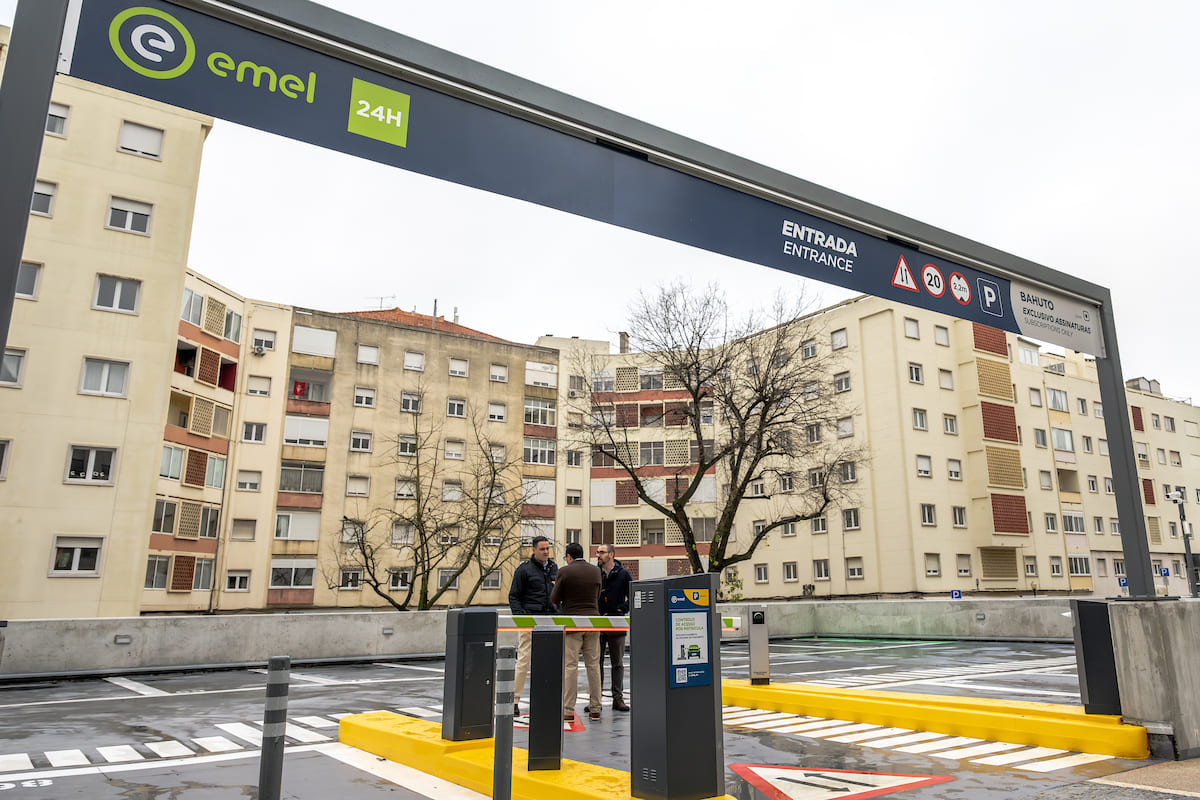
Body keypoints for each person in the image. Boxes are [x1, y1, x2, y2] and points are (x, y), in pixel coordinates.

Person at [550, 541, 603, 721]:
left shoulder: (565, 571)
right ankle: (595, 706)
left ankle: (567, 709)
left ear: (569, 556)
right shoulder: (596, 570)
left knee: (570, 666)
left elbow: (555, 599)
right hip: (593, 621)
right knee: (593, 665)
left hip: (572, 622)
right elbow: (597, 595)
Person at [508, 535, 556, 716]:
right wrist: (521, 617)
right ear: (534, 550)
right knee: (524, 661)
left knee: (547, 662)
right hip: (529, 620)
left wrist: (557, 611)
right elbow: (514, 596)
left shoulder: (554, 568)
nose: (546, 552)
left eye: (547, 549)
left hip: (550, 621)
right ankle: (514, 700)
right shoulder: (524, 570)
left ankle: (545, 700)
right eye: (542, 549)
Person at [597, 544, 631, 711]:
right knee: (597, 662)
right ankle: (596, 700)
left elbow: (633, 595)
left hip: (616, 622)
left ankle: (618, 698)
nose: (598, 555)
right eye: (598, 552)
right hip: (596, 623)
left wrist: (622, 609)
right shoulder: (596, 573)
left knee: (617, 663)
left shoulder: (623, 574)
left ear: (611, 554)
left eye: (601, 552)